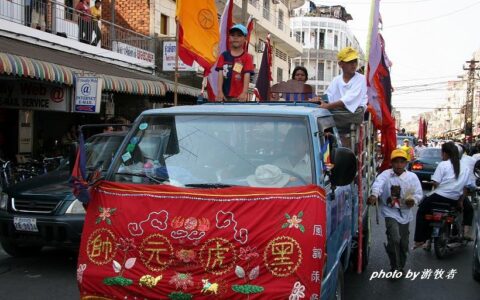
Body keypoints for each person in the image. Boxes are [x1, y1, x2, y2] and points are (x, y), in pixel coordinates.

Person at [367, 149, 423, 273]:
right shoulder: (386, 174)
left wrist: (413, 200)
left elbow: (418, 194)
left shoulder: (412, 177)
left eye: (401, 162)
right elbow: (378, 185)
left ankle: (400, 265)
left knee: (403, 243)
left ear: (406, 163)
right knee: (394, 238)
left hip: (405, 213)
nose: (399, 165)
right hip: (390, 211)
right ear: (391, 163)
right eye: (396, 162)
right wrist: (374, 195)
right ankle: (395, 267)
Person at [413, 142, 472, 249]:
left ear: (445, 153)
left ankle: (420, 240)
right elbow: (465, 189)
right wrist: (460, 201)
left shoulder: (443, 164)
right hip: (454, 199)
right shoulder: (465, 167)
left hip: (439, 197)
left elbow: (436, 183)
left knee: (422, 210)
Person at [315, 47, 367, 114]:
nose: (353, 64)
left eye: (355, 61)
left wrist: (328, 106)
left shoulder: (362, 79)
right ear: (340, 64)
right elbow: (329, 96)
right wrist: (319, 99)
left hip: (353, 116)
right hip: (338, 115)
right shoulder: (336, 80)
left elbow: (349, 99)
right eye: (350, 62)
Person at [215, 24, 254, 102]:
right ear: (229, 38)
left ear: (245, 38)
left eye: (239, 35)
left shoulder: (247, 57)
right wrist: (219, 92)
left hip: (239, 98)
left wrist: (244, 93)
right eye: (233, 35)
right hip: (223, 97)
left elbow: (247, 76)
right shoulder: (223, 55)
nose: (235, 38)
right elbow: (220, 74)